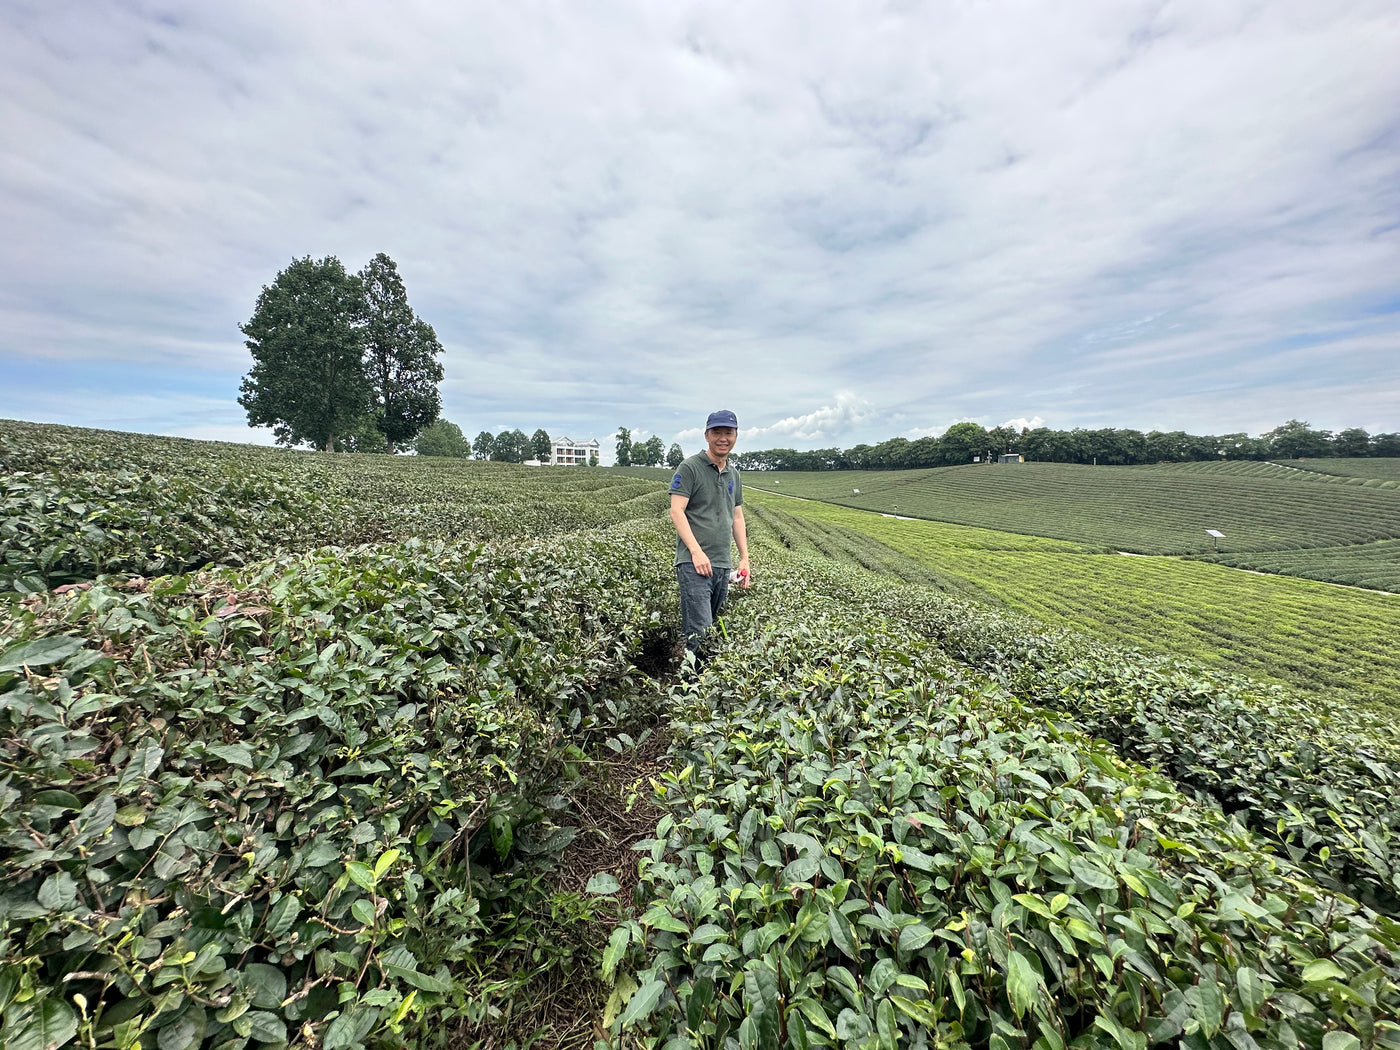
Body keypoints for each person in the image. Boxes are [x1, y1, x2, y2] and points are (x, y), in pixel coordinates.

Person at [669, 410, 751, 654]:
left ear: (736, 436)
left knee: (710, 632)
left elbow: (737, 516)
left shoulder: (733, 474)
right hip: (694, 565)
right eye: (717, 432)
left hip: (722, 565)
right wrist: (696, 552)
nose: (723, 438)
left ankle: (697, 681)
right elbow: (676, 511)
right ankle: (692, 687)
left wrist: (744, 557)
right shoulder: (690, 468)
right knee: (700, 635)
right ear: (706, 435)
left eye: (728, 432)